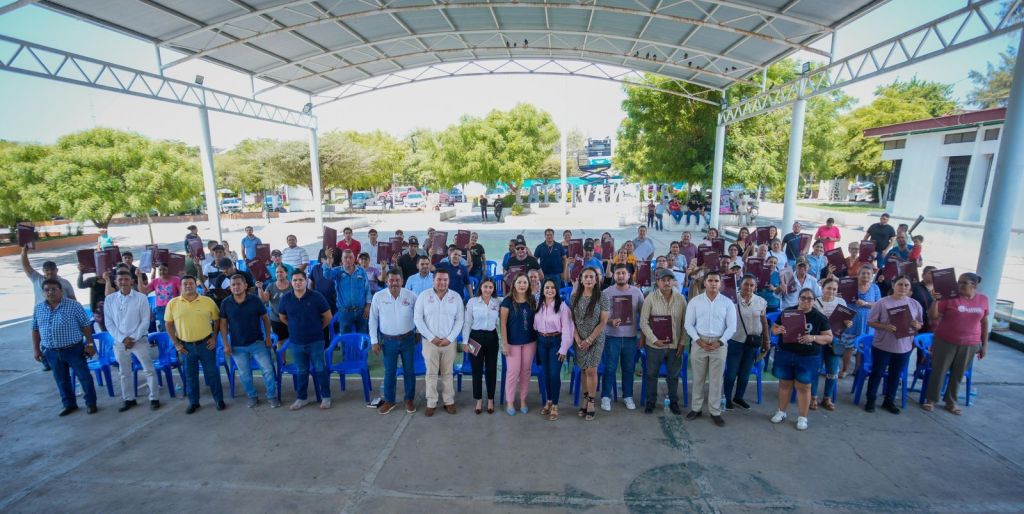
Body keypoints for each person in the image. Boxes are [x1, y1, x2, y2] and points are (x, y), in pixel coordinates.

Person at [923, 272, 988, 415]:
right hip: (945, 342)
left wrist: (984, 344)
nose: (959, 285)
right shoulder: (950, 298)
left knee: (958, 374)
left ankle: (951, 402)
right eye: (959, 281)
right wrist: (935, 301)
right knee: (939, 371)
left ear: (974, 285)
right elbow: (933, 316)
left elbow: (984, 322)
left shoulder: (983, 300)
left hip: (970, 343)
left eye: (964, 282)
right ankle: (931, 400)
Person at [769, 288, 833, 431]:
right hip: (785, 353)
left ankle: (802, 417)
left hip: (808, 357)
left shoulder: (819, 317)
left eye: (810, 298)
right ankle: (781, 411)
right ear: (798, 299)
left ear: (814, 301)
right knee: (784, 384)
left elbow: (829, 337)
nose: (806, 301)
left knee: (804, 387)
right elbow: (774, 328)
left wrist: (813, 337)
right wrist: (778, 330)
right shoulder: (788, 312)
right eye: (803, 297)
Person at [33, 278, 97, 416]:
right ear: (43, 292)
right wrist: (36, 349)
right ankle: (69, 404)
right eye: (47, 290)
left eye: (54, 289)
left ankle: (91, 403)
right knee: (61, 380)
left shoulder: (73, 306)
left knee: (84, 377)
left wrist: (90, 344)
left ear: (61, 291)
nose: (50, 292)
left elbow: (86, 326)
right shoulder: (39, 308)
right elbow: (35, 329)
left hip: (73, 349)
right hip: (51, 351)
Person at [164, 275, 225, 414]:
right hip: (186, 347)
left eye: (191, 283)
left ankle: (219, 400)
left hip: (206, 344)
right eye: (185, 284)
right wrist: (176, 344)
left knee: (212, 373)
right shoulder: (173, 303)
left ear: (195, 285)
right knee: (190, 376)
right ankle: (194, 402)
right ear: (180, 286)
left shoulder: (207, 301)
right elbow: (168, 324)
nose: (188, 286)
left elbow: (217, 320)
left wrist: (214, 338)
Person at [865, 275, 924, 414]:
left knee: (895, 375)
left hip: (904, 347)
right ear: (893, 285)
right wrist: (885, 327)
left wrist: (917, 325)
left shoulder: (915, 304)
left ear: (910, 287)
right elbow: (870, 322)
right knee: (877, 373)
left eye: (906, 285)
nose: (903, 287)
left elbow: (920, 323)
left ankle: (889, 400)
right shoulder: (882, 303)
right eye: (900, 284)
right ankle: (871, 400)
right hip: (882, 346)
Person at [684, 271, 736, 426]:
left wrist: (720, 342)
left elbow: (732, 327)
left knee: (716, 380)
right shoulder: (695, 302)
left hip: (719, 344)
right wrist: (697, 340)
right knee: (698, 378)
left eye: (716, 281)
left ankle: (715, 411)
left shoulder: (727, 303)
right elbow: (688, 324)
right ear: (705, 283)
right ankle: (696, 408)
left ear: (720, 284)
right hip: (699, 342)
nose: (713, 283)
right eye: (710, 280)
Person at [219, 274, 279, 408]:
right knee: (244, 374)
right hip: (237, 346)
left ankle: (271, 396)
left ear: (245, 286)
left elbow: (265, 319)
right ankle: (252, 396)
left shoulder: (255, 300)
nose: (236, 287)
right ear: (230, 287)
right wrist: (226, 344)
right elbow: (223, 325)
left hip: (257, 343)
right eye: (233, 285)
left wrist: (267, 337)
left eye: (238, 284)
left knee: (268, 370)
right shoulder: (226, 303)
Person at [105, 271, 160, 412]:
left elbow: (145, 321)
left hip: (139, 340)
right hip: (120, 342)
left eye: (126, 279)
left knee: (148, 370)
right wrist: (122, 339)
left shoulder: (141, 298)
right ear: (115, 282)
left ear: (132, 281)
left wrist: (133, 338)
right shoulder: (110, 299)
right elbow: (109, 323)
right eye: (120, 279)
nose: (123, 282)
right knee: (124, 372)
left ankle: (154, 398)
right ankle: (129, 399)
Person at [278, 271, 333, 410]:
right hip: (296, 342)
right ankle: (302, 398)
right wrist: (294, 327)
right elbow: (282, 317)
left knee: (320, 369)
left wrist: (318, 328)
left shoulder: (317, 297)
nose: (298, 283)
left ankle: (326, 397)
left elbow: (328, 316)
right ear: (291, 282)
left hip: (316, 341)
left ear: (306, 281)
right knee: (302, 371)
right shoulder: (286, 298)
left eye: (300, 280)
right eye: (295, 280)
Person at [413, 268, 464, 416]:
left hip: (449, 343)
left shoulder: (456, 297)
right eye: (439, 279)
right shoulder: (423, 296)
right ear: (433, 280)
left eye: (445, 280)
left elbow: (460, 320)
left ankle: (449, 401)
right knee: (431, 373)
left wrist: (450, 338)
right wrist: (431, 337)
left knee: (448, 373)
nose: (442, 282)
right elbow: (418, 319)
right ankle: (431, 402)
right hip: (430, 343)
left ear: (449, 281)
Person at [370, 269, 419, 415]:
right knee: (390, 372)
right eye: (391, 280)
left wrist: (418, 332)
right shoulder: (378, 296)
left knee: (409, 371)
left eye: (397, 280)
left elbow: (418, 315)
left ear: (402, 282)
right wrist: (374, 341)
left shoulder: (411, 296)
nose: (394, 283)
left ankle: (409, 399)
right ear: (386, 281)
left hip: (408, 339)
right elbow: (373, 320)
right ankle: (390, 401)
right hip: (388, 341)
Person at [639, 268, 687, 415]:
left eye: (669, 280)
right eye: (663, 280)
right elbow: (643, 322)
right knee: (651, 374)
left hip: (674, 345)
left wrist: (682, 342)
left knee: (673, 376)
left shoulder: (681, 299)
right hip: (654, 346)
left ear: (673, 282)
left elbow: (685, 323)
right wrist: (654, 340)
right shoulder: (650, 298)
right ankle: (651, 401)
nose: (666, 283)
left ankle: (674, 402)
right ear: (658, 282)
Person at [600, 264, 644, 412]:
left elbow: (643, 314)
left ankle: (628, 395)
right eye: (618, 273)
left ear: (628, 275)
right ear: (613, 275)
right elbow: (600, 316)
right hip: (612, 337)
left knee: (629, 368)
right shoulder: (606, 293)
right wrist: (610, 321)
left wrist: (642, 336)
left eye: (623, 273)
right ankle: (606, 396)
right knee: (610, 367)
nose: (620, 276)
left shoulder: (637, 292)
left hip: (631, 337)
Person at [570, 267, 610, 421]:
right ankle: (585, 398)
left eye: (591, 277)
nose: (588, 279)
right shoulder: (574, 297)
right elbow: (571, 321)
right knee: (583, 370)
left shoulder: (602, 297)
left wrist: (590, 340)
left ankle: (592, 402)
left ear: (596, 280)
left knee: (591, 370)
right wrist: (577, 338)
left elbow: (603, 322)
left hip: (596, 338)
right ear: (581, 280)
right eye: (585, 277)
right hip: (579, 340)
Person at [723, 274, 769, 411]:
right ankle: (727, 398)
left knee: (745, 373)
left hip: (752, 343)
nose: (749, 287)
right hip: (735, 341)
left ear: (755, 287)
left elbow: (764, 322)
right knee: (731, 373)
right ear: (740, 285)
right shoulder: (731, 300)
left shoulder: (761, 301)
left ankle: (738, 397)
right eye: (746, 284)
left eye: (752, 285)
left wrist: (766, 340)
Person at [534, 278, 574, 421]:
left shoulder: (562, 307)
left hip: (556, 342)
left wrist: (563, 349)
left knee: (554, 374)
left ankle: (555, 405)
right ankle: (549, 401)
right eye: (547, 287)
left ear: (556, 290)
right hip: (541, 342)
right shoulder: (538, 306)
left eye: (552, 287)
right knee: (545, 373)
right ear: (543, 290)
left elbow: (568, 329)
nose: (549, 290)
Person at [810, 278, 853, 411]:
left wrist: (848, 323)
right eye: (829, 288)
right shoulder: (815, 302)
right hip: (818, 340)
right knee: (815, 370)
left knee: (832, 371)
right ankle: (813, 397)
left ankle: (827, 398)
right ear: (822, 288)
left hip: (834, 341)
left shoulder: (841, 302)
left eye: (834, 289)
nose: (831, 291)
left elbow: (845, 323)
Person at [463, 277, 501, 415]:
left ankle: (490, 400)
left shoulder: (497, 302)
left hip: (492, 338)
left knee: (491, 370)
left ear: (493, 289)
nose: (488, 290)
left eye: (490, 287)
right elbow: (467, 323)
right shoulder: (472, 302)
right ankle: (478, 400)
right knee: (476, 370)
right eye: (485, 287)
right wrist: (465, 342)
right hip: (475, 338)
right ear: (480, 287)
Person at [500, 275, 537, 416]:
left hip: (530, 342)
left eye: (525, 282)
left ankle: (523, 399)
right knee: (513, 372)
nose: (522, 285)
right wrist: (505, 343)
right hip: (512, 343)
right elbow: (502, 324)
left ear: (528, 285)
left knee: (525, 372)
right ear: (514, 284)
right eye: (519, 282)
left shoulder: (532, 300)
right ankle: (509, 401)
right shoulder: (507, 301)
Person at [841, 264, 881, 378]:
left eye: (868, 273)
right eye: (863, 273)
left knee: (862, 347)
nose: (866, 275)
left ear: (872, 275)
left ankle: (857, 370)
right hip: (851, 320)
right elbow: (842, 300)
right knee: (848, 346)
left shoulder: (875, 288)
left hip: (867, 321)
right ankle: (844, 369)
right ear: (858, 274)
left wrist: (866, 304)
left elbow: (878, 304)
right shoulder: (851, 285)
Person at [323, 248, 371, 335]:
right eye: (345, 257)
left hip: (361, 311)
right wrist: (329, 259)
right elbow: (327, 275)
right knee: (345, 338)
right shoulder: (337, 271)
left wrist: (368, 307)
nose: (348, 259)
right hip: (344, 312)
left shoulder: (361, 271)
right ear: (342, 259)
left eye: (350, 257)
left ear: (354, 259)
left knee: (362, 336)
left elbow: (367, 289)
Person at [259, 265, 292, 342]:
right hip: (276, 319)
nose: (279, 274)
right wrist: (260, 288)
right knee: (280, 341)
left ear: (286, 273)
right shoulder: (271, 286)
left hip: (291, 318)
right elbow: (264, 300)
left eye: (281, 272)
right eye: (277, 272)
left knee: (294, 341)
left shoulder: (292, 285)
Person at [78, 264, 108, 331]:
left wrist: (107, 279)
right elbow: (80, 285)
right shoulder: (92, 280)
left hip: (110, 308)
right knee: (104, 329)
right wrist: (81, 272)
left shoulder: (111, 279)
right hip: (98, 311)